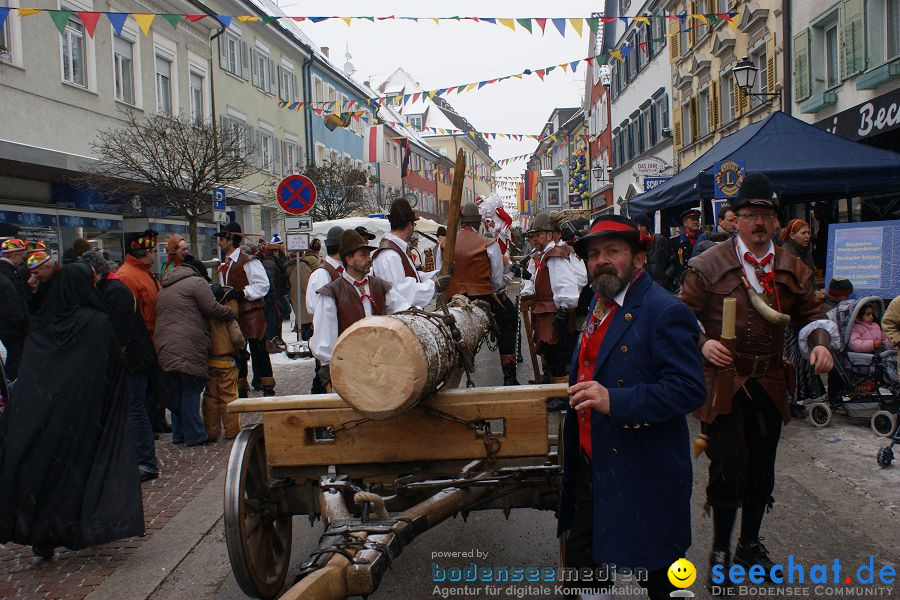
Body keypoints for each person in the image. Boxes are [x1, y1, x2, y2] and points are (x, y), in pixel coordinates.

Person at [678, 173, 835, 586]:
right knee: (729, 465)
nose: (758, 222)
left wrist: (820, 342)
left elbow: (813, 313)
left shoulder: (792, 265)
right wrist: (701, 343)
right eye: (750, 214)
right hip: (725, 382)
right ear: (736, 218)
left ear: (776, 221)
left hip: (770, 380)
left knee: (762, 467)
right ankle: (720, 553)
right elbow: (677, 318)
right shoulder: (708, 263)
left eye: (766, 214)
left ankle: (749, 548)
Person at [558, 215, 705, 600]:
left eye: (613, 251)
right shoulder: (600, 301)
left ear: (639, 258)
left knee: (663, 577)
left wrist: (615, 400)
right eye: (593, 254)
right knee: (586, 572)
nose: (601, 260)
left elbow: (690, 389)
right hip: (593, 465)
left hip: (644, 469)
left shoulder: (665, 310)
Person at [0, 263, 144, 559]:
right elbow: (112, 367)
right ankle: (78, 525)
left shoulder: (42, 325)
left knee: (48, 473)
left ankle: (43, 533)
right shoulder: (96, 323)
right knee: (79, 474)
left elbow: (31, 374)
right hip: (85, 415)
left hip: (46, 416)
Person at [81, 251, 160, 481]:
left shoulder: (116, 290)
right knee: (131, 410)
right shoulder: (108, 289)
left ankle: (146, 462)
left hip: (132, 362)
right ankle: (135, 459)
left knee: (136, 410)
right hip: (128, 360)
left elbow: (121, 333)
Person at [310, 229, 409, 391]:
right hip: (349, 371)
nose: (369, 259)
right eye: (363, 255)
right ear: (349, 259)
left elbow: (403, 311)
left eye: (369, 255)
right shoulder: (331, 293)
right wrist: (333, 368)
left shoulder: (380, 286)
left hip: (382, 368)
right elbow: (324, 339)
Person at [156, 260, 234, 445]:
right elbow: (211, 308)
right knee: (191, 388)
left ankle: (179, 434)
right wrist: (230, 312)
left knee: (178, 389)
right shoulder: (197, 283)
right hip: (187, 342)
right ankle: (195, 434)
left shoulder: (165, 287)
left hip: (163, 343)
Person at [447, 202, 519, 385]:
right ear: (478, 222)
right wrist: (508, 277)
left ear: (461, 222)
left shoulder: (446, 244)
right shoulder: (489, 244)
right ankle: (509, 378)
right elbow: (496, 281)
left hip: (452, 297)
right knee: (508, 320)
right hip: (481, 296)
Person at [116, 230, 169, 434]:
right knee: (145, 387)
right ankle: (150, 423)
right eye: (153, 250)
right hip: (144, 339)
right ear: (145, 252)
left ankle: (157, 419)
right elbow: (132, 313)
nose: (155, 254)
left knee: (155, 384)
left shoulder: (143, 271)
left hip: (154, 336)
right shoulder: (127, 276)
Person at [214, 222, 274, 397]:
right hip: (234, 313)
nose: (219, 242)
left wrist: (242, 293)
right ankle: (241, 387)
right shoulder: (226, 263)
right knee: (238, 350)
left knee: (258, 349)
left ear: (231, 239)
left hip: (251, 311)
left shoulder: (248, 260)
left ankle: (267, 385)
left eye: (222, 239)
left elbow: (263, 285)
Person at [524, 212, 581, 386]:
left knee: (558, 356)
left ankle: (561, 395)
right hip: (546, 313)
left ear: (549, 235)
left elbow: (565, 286)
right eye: (533, 236)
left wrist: (563, 311)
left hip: (555, 314)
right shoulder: (544, 256)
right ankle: (553, 389)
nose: (535, 240)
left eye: (539, 235)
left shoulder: (555, 256)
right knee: (549, 353)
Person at [372, 198, 448, 308]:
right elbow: (402, 291)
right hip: (396, 320)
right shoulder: (390, 255)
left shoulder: (396, 250)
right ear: (409, 225)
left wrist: (436, 275)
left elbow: (411, 277)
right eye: (414, 225)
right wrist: (434, 286)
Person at [203, 285, 245, 441]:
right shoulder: (227, 315)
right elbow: (237, 337)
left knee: (210, 398)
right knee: (229, 396)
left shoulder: (204, 315)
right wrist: (240, 347)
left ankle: (211, 431)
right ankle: (232, 431)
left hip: (209, 361)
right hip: (226, 361)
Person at [0, 239, 29, 380]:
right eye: (22, 255)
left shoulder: (8, 273)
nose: (23, 258)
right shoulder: (9, 275)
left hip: (7, 333)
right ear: (14, 255)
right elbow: (14, 309)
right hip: (10, 335)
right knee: (12, 370)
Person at [287, 243, 319, 339]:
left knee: (302, 332)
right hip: (305, 307)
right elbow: (308, 287)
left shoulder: (292, 266)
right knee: (307, 335)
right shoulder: (301, 266)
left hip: (299, 304)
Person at [632, 214, 672, 289]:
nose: (639, 229)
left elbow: (672, 261)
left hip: (663, 287)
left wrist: (666, 277)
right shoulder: (633, 246)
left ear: (647, 226)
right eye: (636, 226)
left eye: (642, 225)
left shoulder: (660, 240)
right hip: (644, 288)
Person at [667, 208, 702, 285]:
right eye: (692, 219)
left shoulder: (704, 239)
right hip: (683, 283)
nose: (696, 222)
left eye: (697, 219)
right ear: (684, 222)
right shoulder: (674, 243)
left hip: (701, 283)